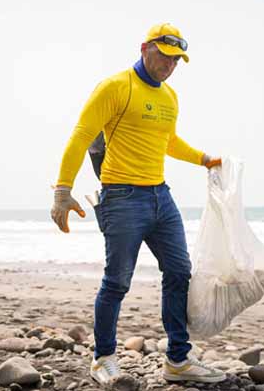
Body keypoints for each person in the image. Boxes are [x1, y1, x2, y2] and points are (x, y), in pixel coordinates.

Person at [50, 23, 227, 385]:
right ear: (145, 48)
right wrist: (62, 191)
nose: (170, 65)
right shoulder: (115, 87)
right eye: (165, 56)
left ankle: (178, 359)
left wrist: (204, 158)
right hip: (122, 198)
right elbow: (82, 136)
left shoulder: (170, 97)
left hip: (161, 197)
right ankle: (103, 358)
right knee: (117, 282)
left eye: (177, 60)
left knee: (179, 272)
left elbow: (168, 141)